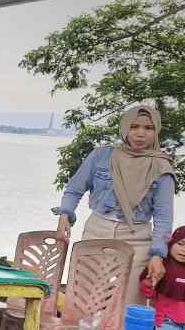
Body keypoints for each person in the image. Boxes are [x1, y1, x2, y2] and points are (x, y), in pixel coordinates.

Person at [57, 104, 175, 306]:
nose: (140, 133)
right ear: (124, 128)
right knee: (83, 296)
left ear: (156, 131)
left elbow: (163, 217)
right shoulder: (101, 156)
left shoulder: (162, 167)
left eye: (148, 128)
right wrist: (65, 215)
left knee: (129, 303)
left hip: (137, 238)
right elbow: (74, 189)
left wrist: (157, 255)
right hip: (97, 229)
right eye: (134, 126)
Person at [140, 226, 185, 330]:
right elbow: (148, 291)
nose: (184, 250)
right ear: (171, 242)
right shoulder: (162, 266)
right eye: (181, 244)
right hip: (168, 323)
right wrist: (148, 284)